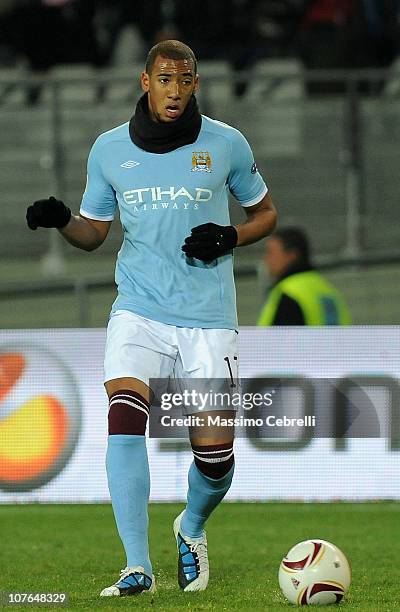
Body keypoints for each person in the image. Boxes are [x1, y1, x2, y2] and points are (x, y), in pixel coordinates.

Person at [26, 40, 277, 596]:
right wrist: (63, 218)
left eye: (185, 80)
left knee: (215, 461)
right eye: (165, 79)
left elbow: (266, 213)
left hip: (208, 315)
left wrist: (230, 235)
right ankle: (137, 566)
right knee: (124, 415)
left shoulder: (227, 143)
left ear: (195, 84)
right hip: (137, 308)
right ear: (146, 82)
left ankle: (191, 526)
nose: (175, 89)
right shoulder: (110, 150)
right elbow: (93, 234)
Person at [258, 227, 351, 326]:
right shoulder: (330, 292)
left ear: (292, 255)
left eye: (270, 252)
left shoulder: (289, 293)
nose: (265, 258)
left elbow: (282, 339)